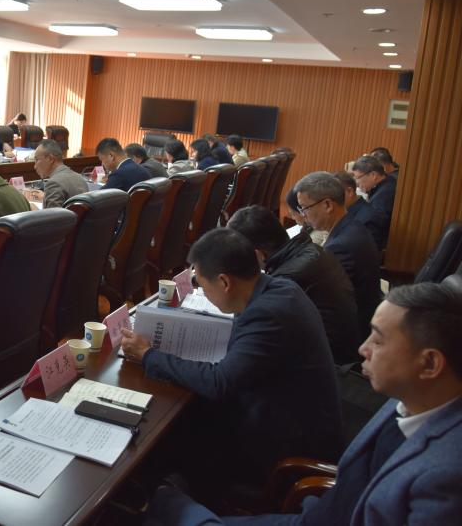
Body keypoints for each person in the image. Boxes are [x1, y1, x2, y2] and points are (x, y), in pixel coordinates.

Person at [142, 281, 462, 526]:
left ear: (430, 364)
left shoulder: (445, 477)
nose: (363, 349)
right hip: (317, 514)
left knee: (165, 506)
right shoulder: (413, 398)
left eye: (378, 340)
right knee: (165, 502)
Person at [120, 227, 343, 485]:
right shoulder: (280, 288)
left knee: (166, 436)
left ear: (225, 282)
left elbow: (219, 383)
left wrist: (148, 355)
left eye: (202, 285)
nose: (203, 292)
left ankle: (160, 493)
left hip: (286, 445)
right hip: (283, 413)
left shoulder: (268, 314)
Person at [228, 205, 360, 363]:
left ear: (257, 255)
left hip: (329, 364)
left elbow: (252, 336)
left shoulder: (286, 280)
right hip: (343, 350)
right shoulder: (311, 250)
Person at [296, 172, 382, 339]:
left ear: (327, 205)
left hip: (351, 335)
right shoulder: (351, 226)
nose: (303, 215)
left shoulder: (340, 247)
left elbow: (326, 302)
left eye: (305, 208)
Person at [352, 155, 397, 251]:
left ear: (373, 175)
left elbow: (375, 224)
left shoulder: (385, 194)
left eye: (358, 178)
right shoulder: (387, 182)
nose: (357, 183)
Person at [26, 139, 88, 208]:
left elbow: (53, 215)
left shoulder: (53, 183)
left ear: (50, 159)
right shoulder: (79, 177)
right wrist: (46, 196)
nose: (35, 167)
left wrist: (34, 209)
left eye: (37, 160)